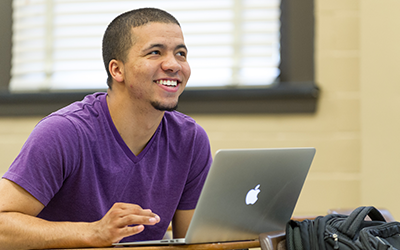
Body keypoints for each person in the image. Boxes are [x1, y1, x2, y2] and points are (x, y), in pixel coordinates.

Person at [0, 7, 212, 249]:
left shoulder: (191, 140)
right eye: (155, 52)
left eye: (181, 54)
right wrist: (92, 233)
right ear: (117, 69)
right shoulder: (63, 132)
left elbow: (195, 242)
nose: (174, 65)